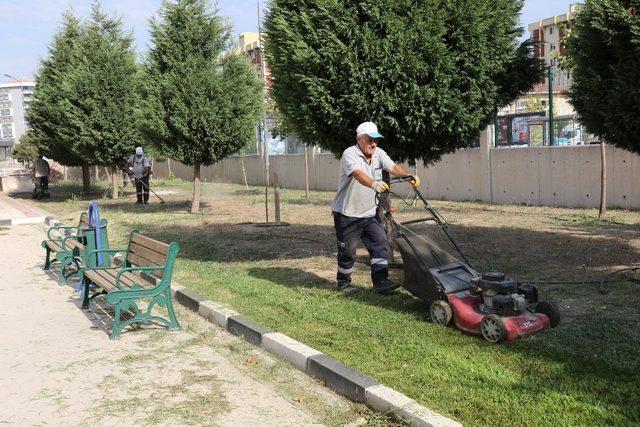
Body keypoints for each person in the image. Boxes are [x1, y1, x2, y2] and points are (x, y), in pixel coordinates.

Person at [331, 122, 420, 294]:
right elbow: (357, 173)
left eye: (376, 140)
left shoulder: (379, 153)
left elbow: (392, 167)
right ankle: (343, 282)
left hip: (370, 213)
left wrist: (407, 176)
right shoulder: (350, 153)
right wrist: (373, 184)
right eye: (369, 140)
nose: (373, 144)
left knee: (380, 243)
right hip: (347, 213)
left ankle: (380, 281)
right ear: (359, 139)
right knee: (348, 250)